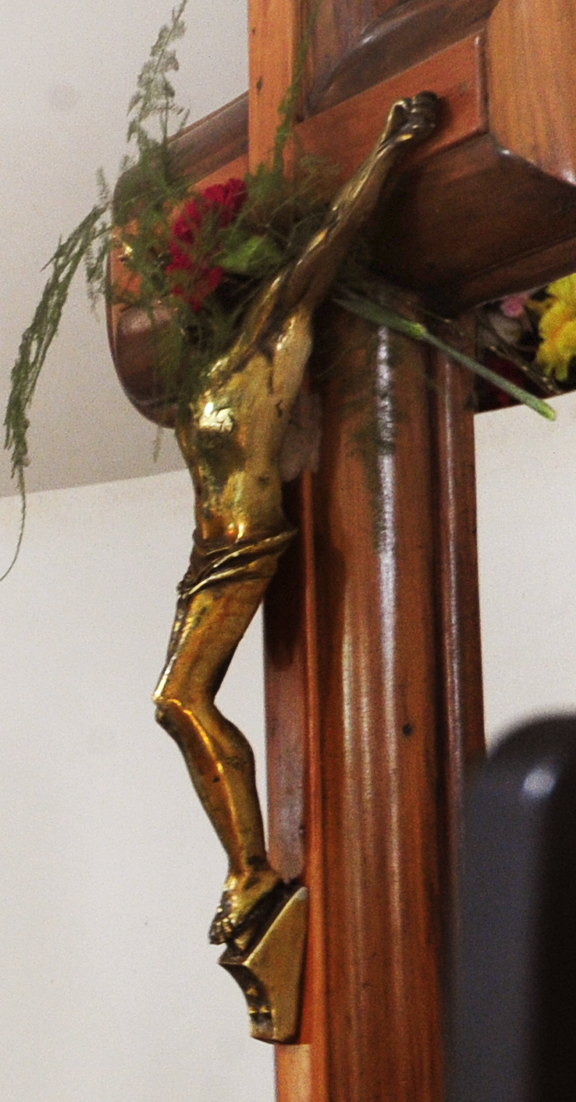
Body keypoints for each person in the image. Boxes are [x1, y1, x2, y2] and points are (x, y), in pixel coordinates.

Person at [151, 93, 435, 1038]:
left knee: (178, 702)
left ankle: (253, 875)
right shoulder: (202, 371)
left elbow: (336, 234)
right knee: (176, 705)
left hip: (249, 543)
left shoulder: (275, 326)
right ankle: (251, 877)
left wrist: (394, 142)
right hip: (209, 552)